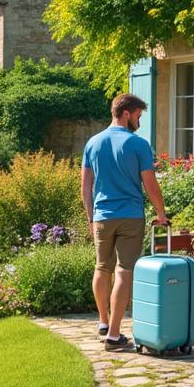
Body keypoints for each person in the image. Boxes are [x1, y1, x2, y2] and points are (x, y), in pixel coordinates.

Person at [81, 93, 169, 350]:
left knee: (101, 267)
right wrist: (161, 214)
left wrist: (90, 217)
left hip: (101, 216)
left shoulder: (93, 143)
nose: (139, 122)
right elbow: (150, 184)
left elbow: (85, 187)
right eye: (138, 116)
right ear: (127, 113)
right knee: (123, 270)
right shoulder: (138, 144)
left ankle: (103, 322)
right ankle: (114, 334)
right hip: (130, 215)